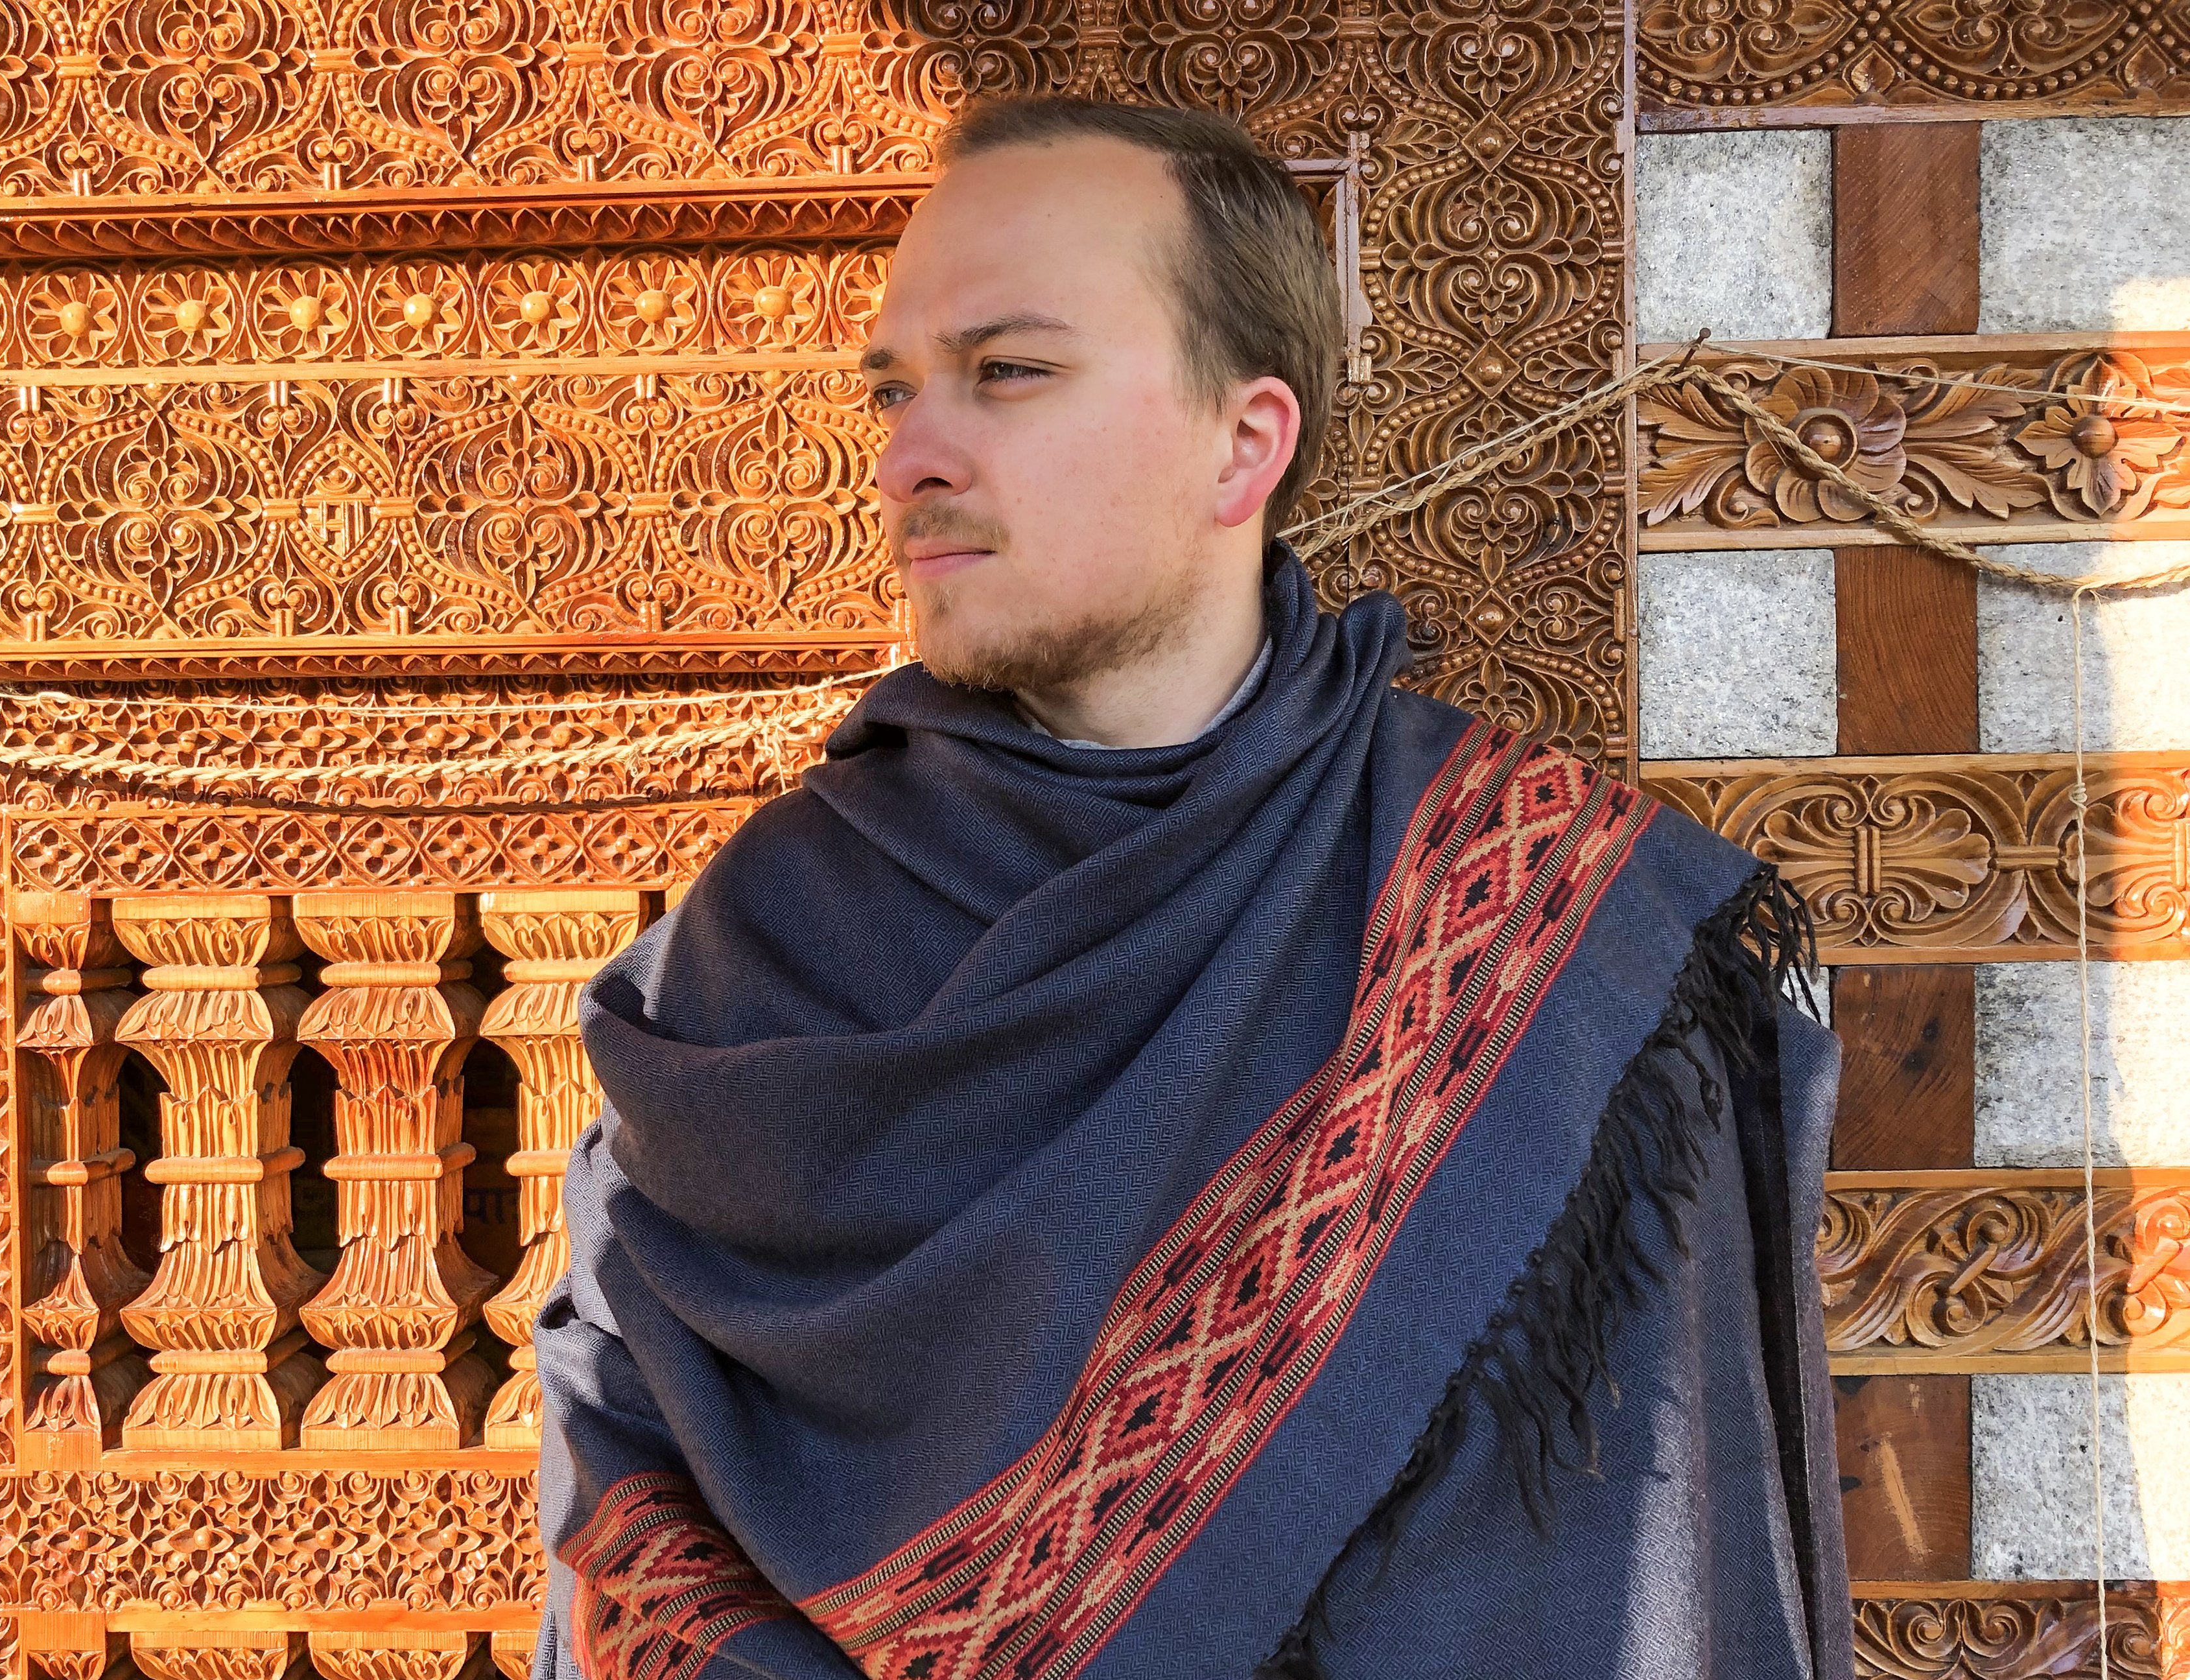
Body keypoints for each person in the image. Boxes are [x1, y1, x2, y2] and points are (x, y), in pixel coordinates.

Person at [528, 95, 1850, 1680]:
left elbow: (1632, 1577)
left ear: (1245, 442)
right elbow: (628, 1522)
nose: (912, 453)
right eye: (898, 388)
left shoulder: (1536, 929)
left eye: (1008, 372)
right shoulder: (748, 974)